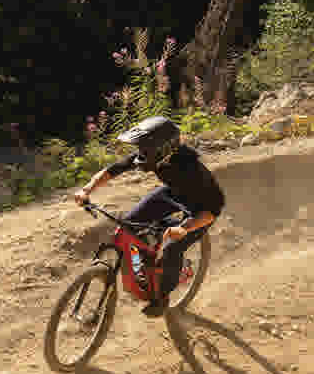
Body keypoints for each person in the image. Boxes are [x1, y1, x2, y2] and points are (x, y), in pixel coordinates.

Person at [71, 115, 224, 317]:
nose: (140, 154)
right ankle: (145, 258)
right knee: (127, 226)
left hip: (200, 210)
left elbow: (212, 211)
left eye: (145, 150)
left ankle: (162, 298)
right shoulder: (154, 157)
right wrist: (87, 190)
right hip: (172, 194)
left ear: (163, 150)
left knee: (171, 248)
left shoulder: (192, 169)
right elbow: (113, 170)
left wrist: (184, 228)